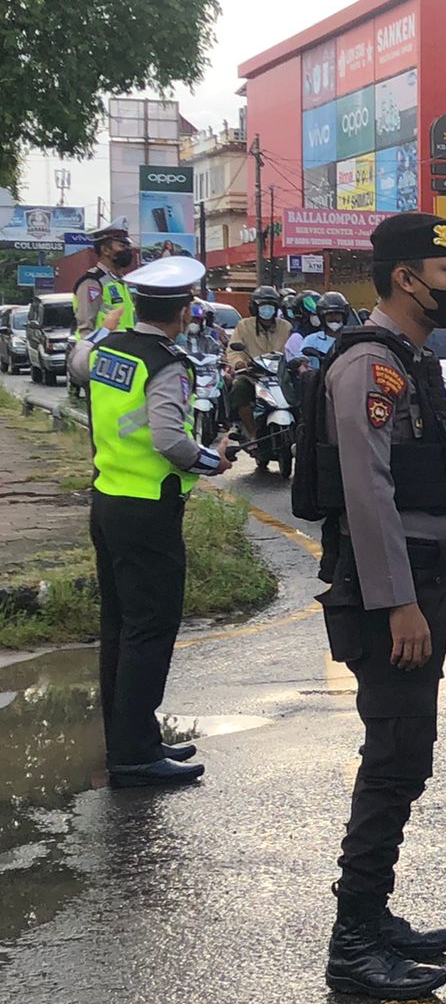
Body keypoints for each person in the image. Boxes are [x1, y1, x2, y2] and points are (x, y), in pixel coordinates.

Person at [312, 212, 446, 1000]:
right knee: (394, 758)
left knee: (406, 755)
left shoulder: (412, 359)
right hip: (390, 590)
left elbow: (429, 490)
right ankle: (353, 944)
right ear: (407, 279)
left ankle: (372, 918)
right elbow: (368, 494)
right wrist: (400, 604)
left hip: (424, 578)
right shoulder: (369, 366)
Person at [66, 255, 233, 788]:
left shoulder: (107, 349)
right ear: (184, 312)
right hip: (148, 512)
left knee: (120, 626)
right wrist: (212, 461)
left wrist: (100, 329)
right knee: (150, 629)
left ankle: (130, 736)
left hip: (108, 500)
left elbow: (76, 363)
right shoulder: (166, 364)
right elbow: (168, 439)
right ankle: (135, 755)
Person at [227, 287, 294, 443]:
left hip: (281, 377)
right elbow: (234, 350)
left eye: (271, 305)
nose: (267, 309)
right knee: (239, 389)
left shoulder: (286, 327)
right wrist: (239, 363)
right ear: (255, 307)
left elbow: (292, 350)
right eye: (263, 306)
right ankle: (252, 433)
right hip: (253, 376)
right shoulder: (244, 326)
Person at [73, 218, 138, 339]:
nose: (128, 250)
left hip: (121, 348)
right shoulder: (93, 282)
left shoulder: (120, 282)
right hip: (101, 349)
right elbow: (86, 329)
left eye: (128, 246)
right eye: (122, 246)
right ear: (105, 250)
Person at [298, 292, 353, 370]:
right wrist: (304, 370)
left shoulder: (352, 339)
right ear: (322, 317)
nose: (334, 317)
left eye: (337, 314)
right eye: (330, 314)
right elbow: (301, 361)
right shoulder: (311, 340)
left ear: (344, 316)